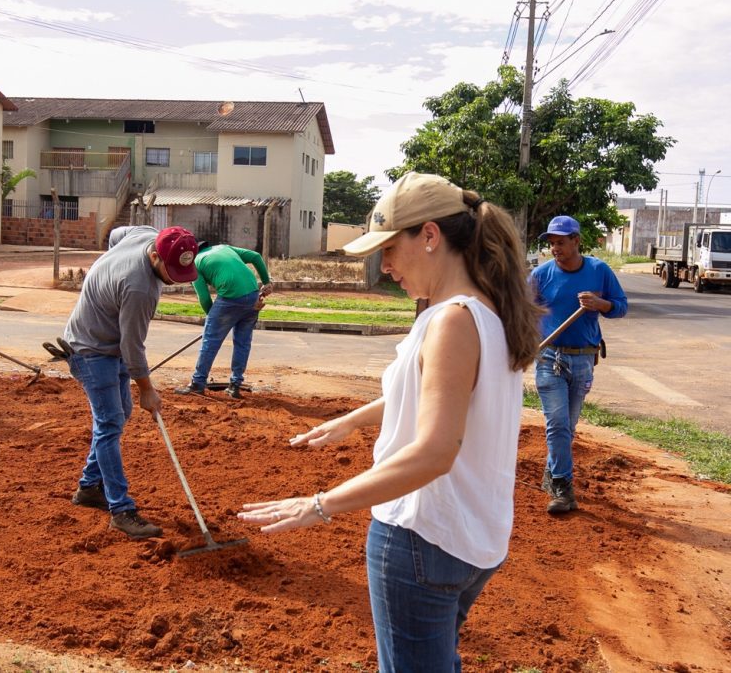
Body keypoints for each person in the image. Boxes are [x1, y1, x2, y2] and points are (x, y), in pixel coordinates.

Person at [238, 173, 543, 672]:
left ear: (429, 236)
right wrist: (354, 420)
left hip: (420, 537)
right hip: (471, 539)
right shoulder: (485, 313)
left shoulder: (451, 320)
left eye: (389, 248)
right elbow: (440, 393)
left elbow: (434, 453)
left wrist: (319, 504)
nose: (384, 265)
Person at [63, 224, 198, 539]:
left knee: (118, 416)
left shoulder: (146, 234)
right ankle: (121, 511)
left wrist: (106, 274)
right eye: (170, 271)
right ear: (154, 255)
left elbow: (115, 235)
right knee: (110, 423)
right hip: (91, 348)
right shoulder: (140, 289)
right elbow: (132, 348)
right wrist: (147, 392)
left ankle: (88, 488)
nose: (174, 279)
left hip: (109, 341)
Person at [530, 215, 628, 514]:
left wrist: (602, 305)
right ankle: (563, 487)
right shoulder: (541, 275)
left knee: (567, 428)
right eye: (552, 243)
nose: (555, 248)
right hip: (549, 358)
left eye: (561, 242)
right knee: (557, 424)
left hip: (584, 358)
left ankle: (553, 473)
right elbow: (520, 309)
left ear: (576, 240)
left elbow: (621, 306)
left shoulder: (599, 271)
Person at [174, 243, 272, 399]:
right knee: (243, 342)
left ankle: (198, 383)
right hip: (253, 296)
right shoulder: (226, 248)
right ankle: (235, 386)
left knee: (210, 341)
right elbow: (255, 256)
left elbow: (204, 297)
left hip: (230, 297)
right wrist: (267, 282)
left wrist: (212, 322)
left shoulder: (196, 263)